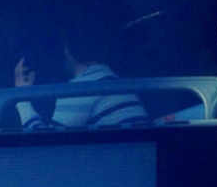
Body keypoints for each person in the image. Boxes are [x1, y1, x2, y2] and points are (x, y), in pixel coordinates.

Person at [11, 17, 145, 129]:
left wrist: (22, 98)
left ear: (67, 51)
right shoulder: (112, 80)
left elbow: (46, 146)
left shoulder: (82, 89)